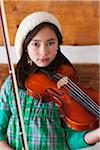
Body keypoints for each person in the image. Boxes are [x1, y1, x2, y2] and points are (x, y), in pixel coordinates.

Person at [0, 11, 99, 150]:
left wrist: (97, 134)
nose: (43, 52)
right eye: (35, 44)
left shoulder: (66, 84)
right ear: (25, 47)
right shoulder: (12, 85)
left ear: (58, 46)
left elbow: (71, 140)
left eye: (50, 43)